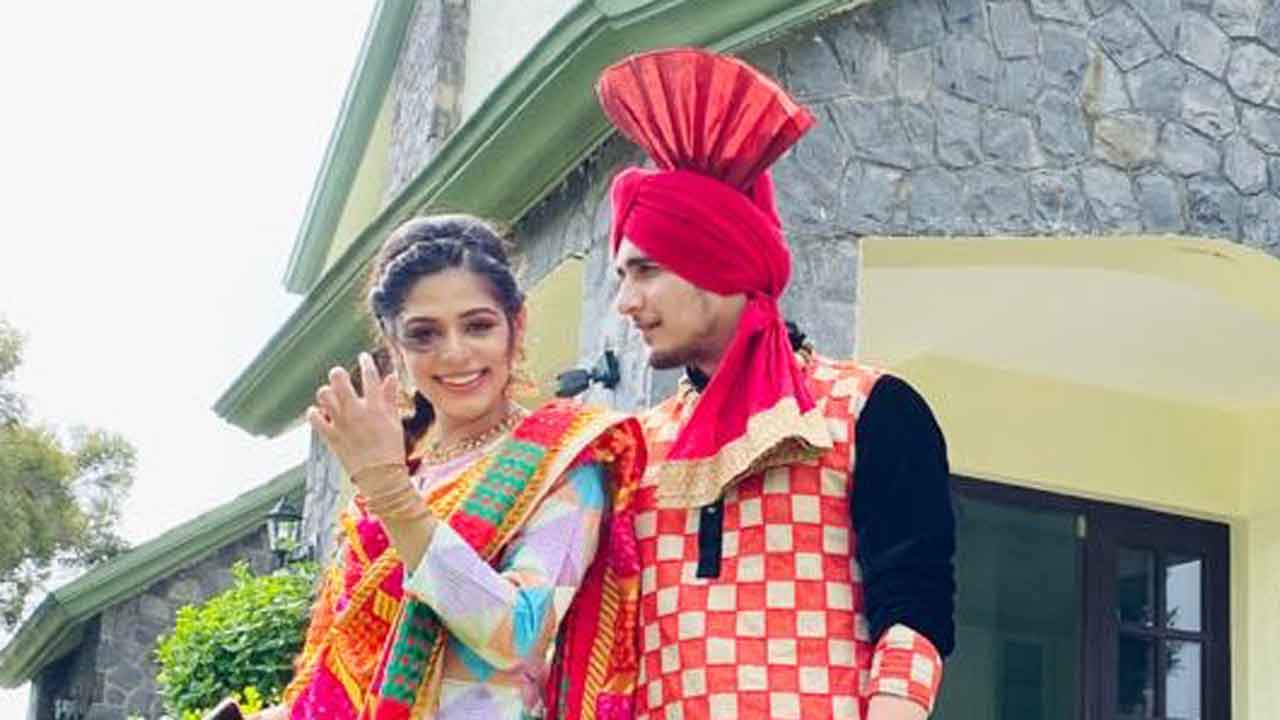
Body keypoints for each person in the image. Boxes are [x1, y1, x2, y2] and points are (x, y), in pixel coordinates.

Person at [598, 48, 956, 719]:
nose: (626, 301)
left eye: (645, 270)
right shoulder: (635, 447)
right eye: (622, 276)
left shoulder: (869, 409)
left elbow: (915, 606)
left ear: (717, 262)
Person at [251, 215, 646, 720]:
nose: (455, 353)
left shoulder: (561, 461)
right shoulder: (404, 476)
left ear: (517, 325)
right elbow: (346, 672)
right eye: (424, 334)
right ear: (394, 345)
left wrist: (392, 496)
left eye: (478, 325)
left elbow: (519, 633)